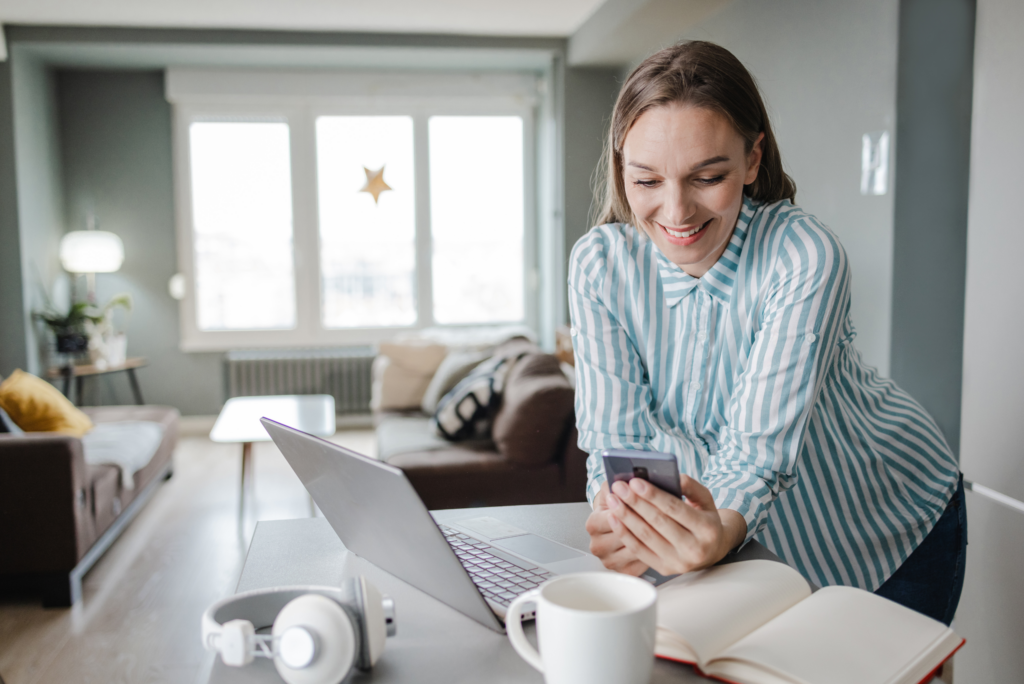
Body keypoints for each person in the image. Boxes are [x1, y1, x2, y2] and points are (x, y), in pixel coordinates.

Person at [570, 41, 966, 625]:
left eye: (707, 176)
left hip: (886, 530)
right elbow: (617, 444)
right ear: (621, 165)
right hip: (735, 557)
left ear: (753, 160)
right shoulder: (600, 266)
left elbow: (755, 456)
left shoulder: (803, 255)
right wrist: (624, 518)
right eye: (647, 180)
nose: (676, 212)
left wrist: (714, 533)